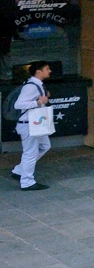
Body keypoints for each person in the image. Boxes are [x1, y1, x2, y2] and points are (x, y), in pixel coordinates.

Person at [11, 58, 50, 191]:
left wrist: (42, 98)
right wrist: (38, 102)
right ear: (38, 72)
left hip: (34, 124)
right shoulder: (31, 87)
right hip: (29, 124)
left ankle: (19, 171)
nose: (49, 71)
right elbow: (19, 104)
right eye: (47, 69)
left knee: (45, 145)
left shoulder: (36, 85)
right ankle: (27, 181)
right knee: (30, 153)